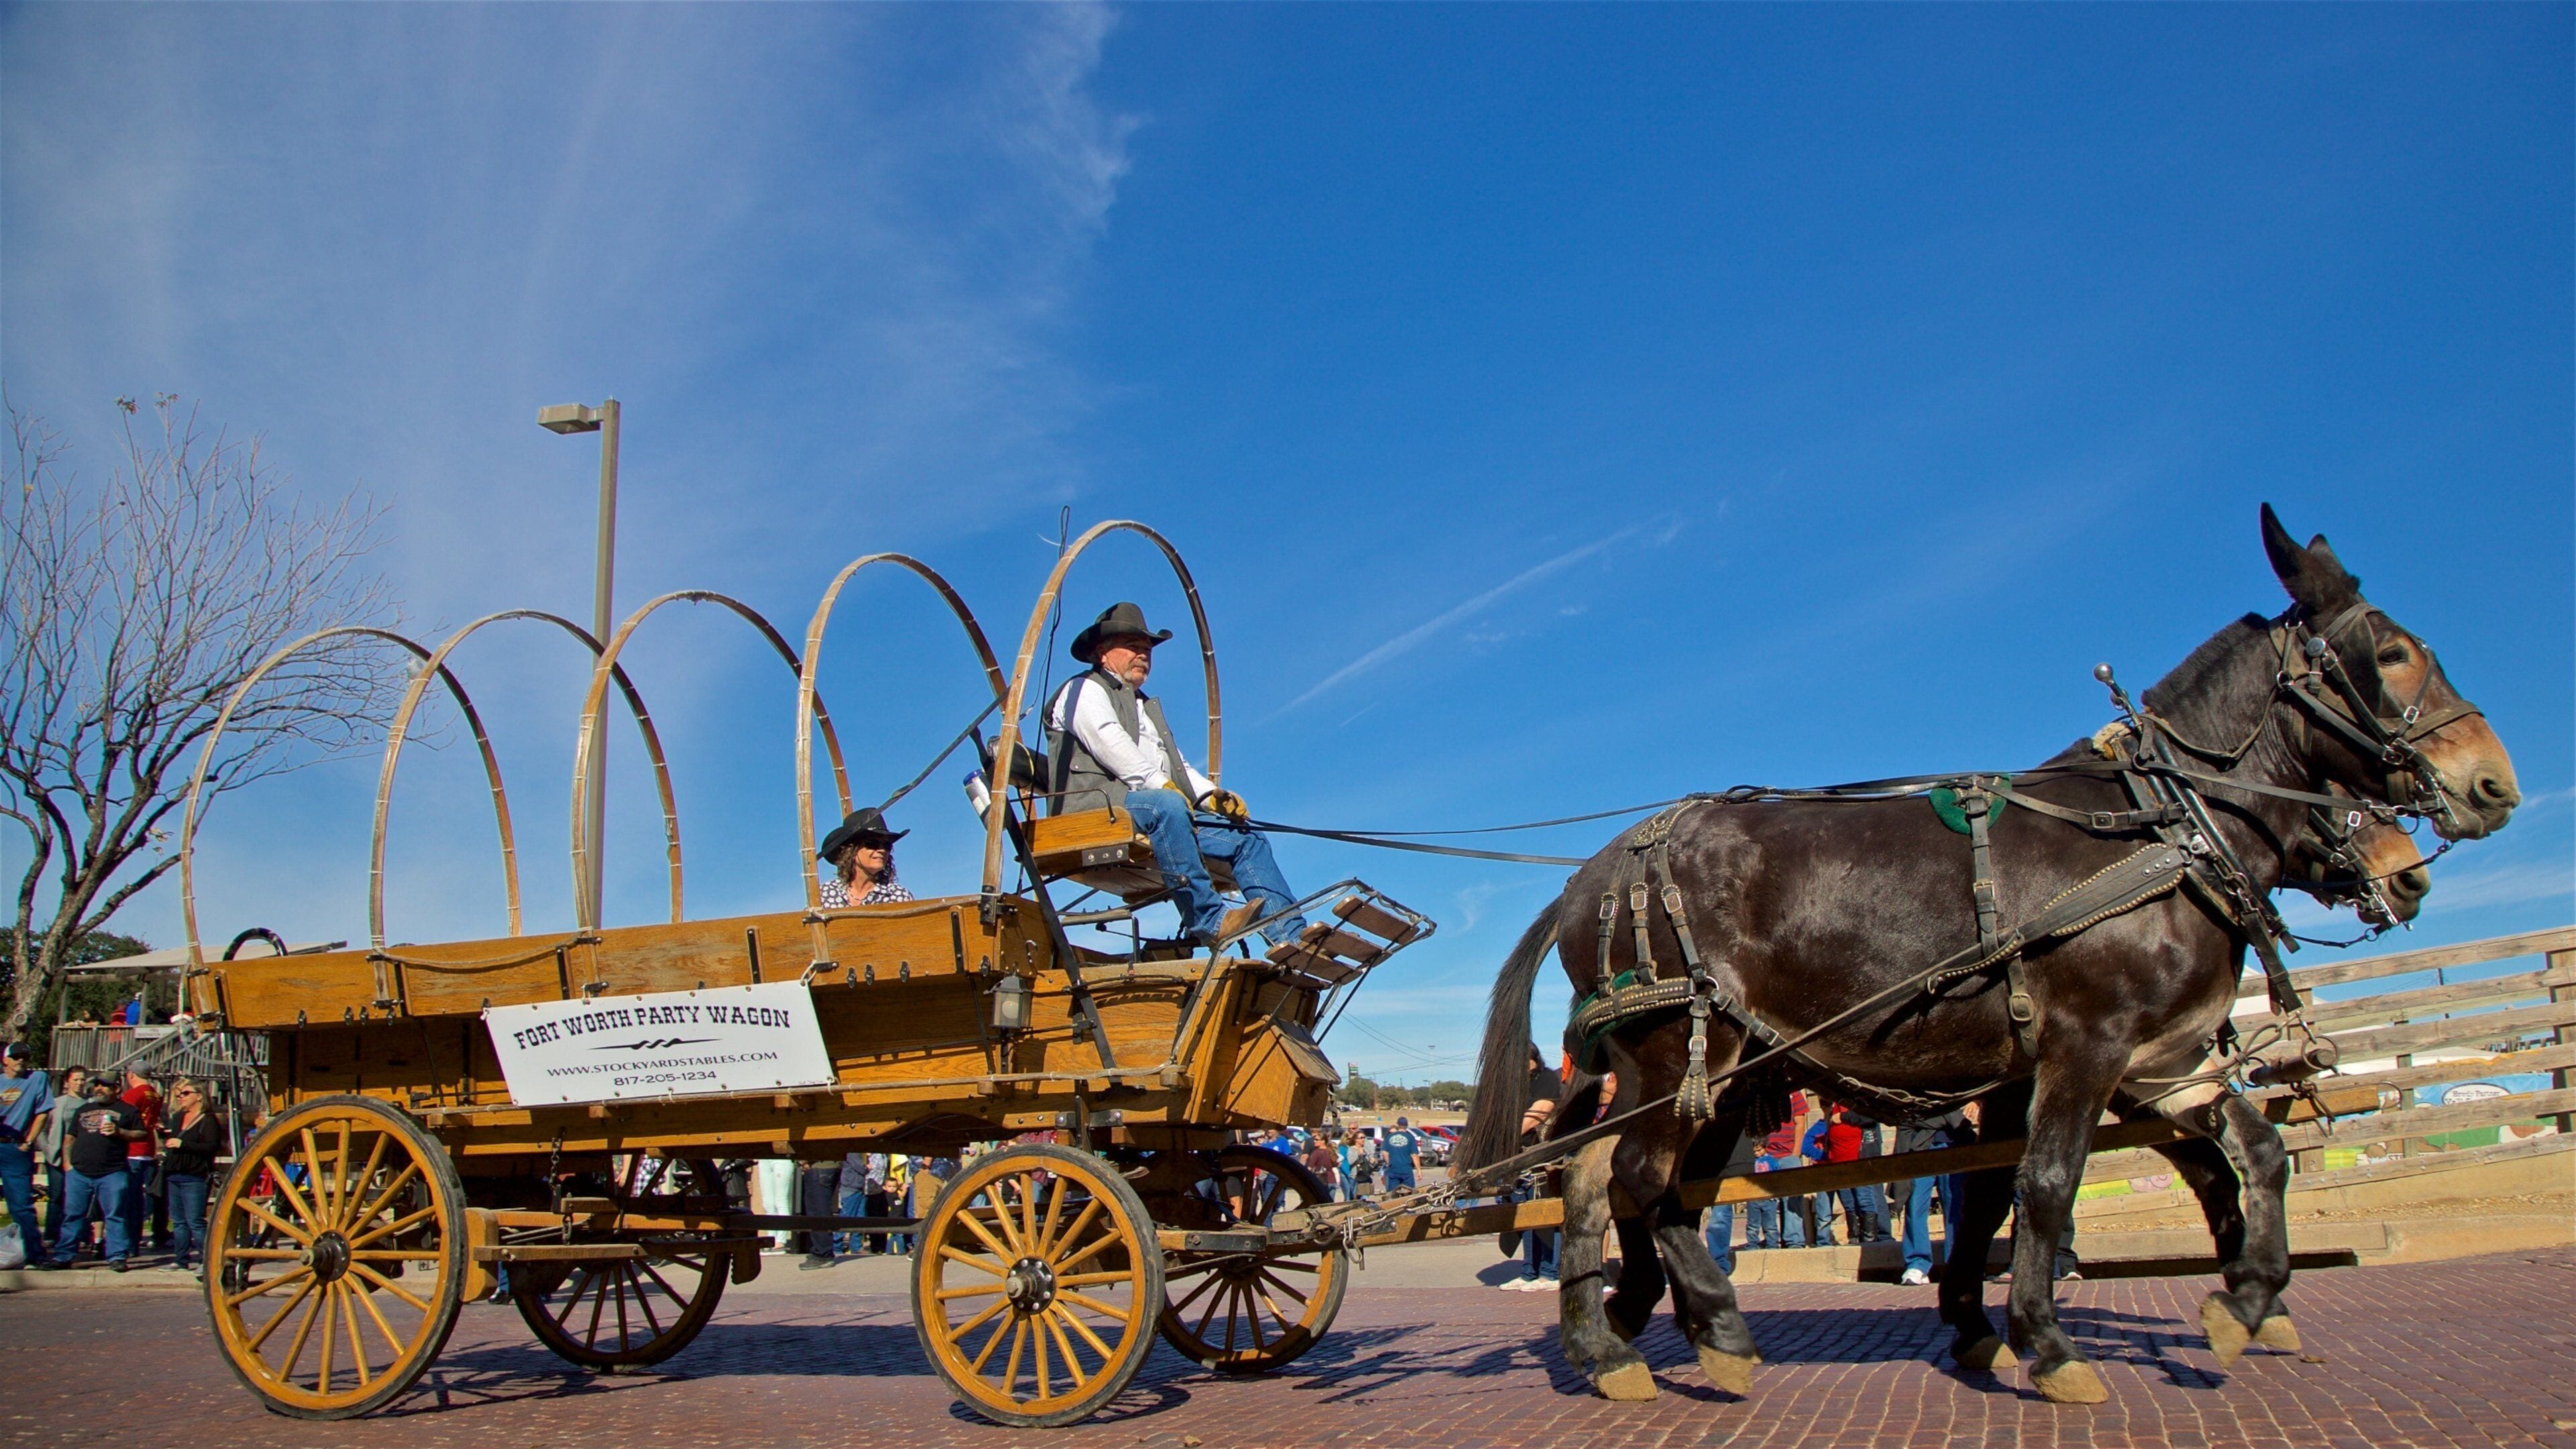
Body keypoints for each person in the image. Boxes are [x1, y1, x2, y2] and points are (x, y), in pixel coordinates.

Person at [1043, 603, 1305, 951]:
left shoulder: (1143, 706)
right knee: (1165, 804)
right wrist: (1160, 785)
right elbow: (1110, 742)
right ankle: (1208, 920)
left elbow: (1175, 763)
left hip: (1148, 810)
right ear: (1102, 652)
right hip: (1094, 810)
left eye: (1147, 650)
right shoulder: (1082, 691)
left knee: (1246, 838)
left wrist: (1213, 796)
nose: (1143, 655)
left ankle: (1294, 939)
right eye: (1133, 647)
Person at [39, 1075, 144, 1270]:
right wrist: (68, 1165)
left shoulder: (128, 1111)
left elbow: (141, 1134)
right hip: (79, 1172)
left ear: (117, 1088)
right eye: (97, 1085)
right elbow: (70, 1137)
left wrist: (120, 1132)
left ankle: (117, 1256)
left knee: (115, 1215)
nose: (99, 1089)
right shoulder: (84, 1109)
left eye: (105, 1086)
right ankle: (64, 1255)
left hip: (112, 1172)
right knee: (73, 1215)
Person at [1894, 1109, 1970, 1286]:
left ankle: (1956, 1263)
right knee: (1915, 1205)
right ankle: (1917, 1263)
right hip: (1920, 1147)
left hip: (1952, 1145)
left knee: (1955, 1208)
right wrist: (1948, 1117)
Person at [1505, 1045, 1560, 1290]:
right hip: (1518, 1159)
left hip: (1541, 1157)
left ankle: (1551, 1272)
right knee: (1524, 1218)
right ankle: (1529, 1271)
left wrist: (1506, 1137)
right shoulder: (1514, 1086)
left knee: (1547, 1216)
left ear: (1533, 1060)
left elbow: (1541, 1111)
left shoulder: (1546, 1078)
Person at [158, 1078, 223, 1275]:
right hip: (175, 1173)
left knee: (195, 1220)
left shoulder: (208, 1120)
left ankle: (207, 1259)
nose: (181, 1098)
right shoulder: (178, 1117)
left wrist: (182, 1144)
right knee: (178, 1221)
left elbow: (211, 1147)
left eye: (185, 1093)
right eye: (179, 1095)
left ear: (198, 1096)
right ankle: (181, 1259)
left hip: (195, 1175)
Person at [0, 1044, 53, 1254]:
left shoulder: (37, 1079)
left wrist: (29, 1141)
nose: (21, 1060)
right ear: (5, 1060)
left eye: (25, 1057)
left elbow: (43, 1112)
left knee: (21, 1204)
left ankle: (34, 1254)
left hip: (16, 1147)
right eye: (16, 1057)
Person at [816, 808, 914, 908]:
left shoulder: (899, 897)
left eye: (887, 845)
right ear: (850, 851)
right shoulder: (823, 895)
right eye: (872, 844)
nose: (882, 850)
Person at [36, 1068, 87, 1253]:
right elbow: (41, 1129)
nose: (80, 1083)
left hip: (81, 1159)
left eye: (83, 1080)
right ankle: (51, 1234)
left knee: (79, 1198)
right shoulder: (56, 1104)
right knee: (57, 1196)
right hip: (57, 1158)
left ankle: (80, 1236)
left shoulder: (89, 1104)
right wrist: (48, 1149)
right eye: (76, 1080)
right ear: (67, 1082)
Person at [118, 1069, 162, 1256]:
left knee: (129, 1200)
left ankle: (127, 1244)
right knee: (141, 1199)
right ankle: (134, 1243)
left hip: (133, 1149)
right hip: (148, 1148)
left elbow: (123, 1118)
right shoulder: (155, 1094)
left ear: (131, 1075)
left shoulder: (132, 1094)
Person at [1748, 1122, 1806, 1248]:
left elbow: (1799, 1123)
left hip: (1787, 1155)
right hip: (1756, 1193)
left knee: (1792, 1201)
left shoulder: (1795, 1100)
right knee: (1757, 1220)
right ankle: (1760, 1243)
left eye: (1759, 1150)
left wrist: (1795, 1153)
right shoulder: (1755, 1158)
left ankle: (1793, 1241)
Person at [1381, 1116, 1421, 1193]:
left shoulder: (1390, 1137)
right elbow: (1414, 1155)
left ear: (1398, 1125)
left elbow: (1384, 1152)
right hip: (1406, 1170)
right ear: (1407, 1125)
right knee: (1409, 1194)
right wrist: (1419, 1170)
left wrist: (1389, 1163)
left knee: (1393, 1194)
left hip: (1394, 1170)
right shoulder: (1410, 1138)